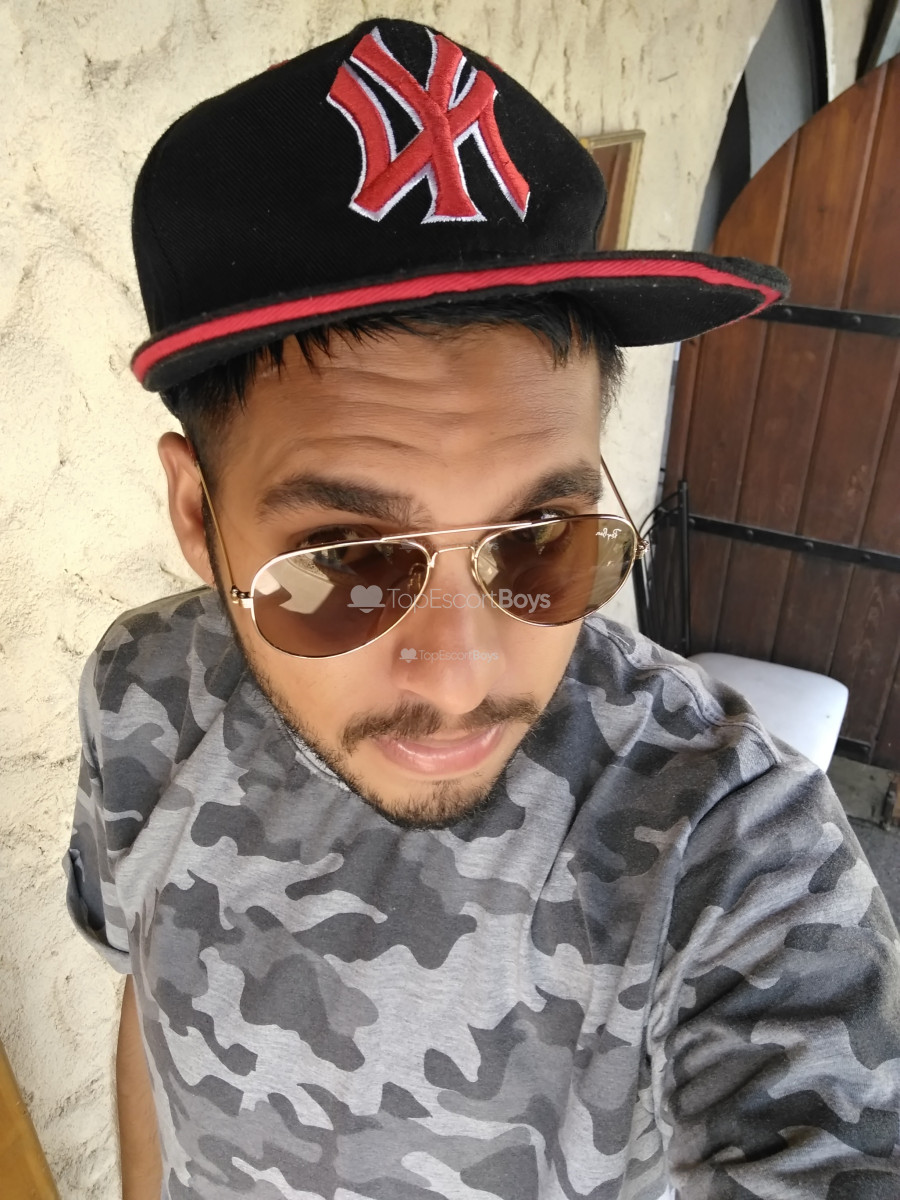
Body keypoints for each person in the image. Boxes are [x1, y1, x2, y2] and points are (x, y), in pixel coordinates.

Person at [63, 17, 900, 1200]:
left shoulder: (728, 846)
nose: (462, 677)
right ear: (199, 518)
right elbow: (148, 998)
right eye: (347, 562)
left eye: (539, 540)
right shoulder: (142, 695)